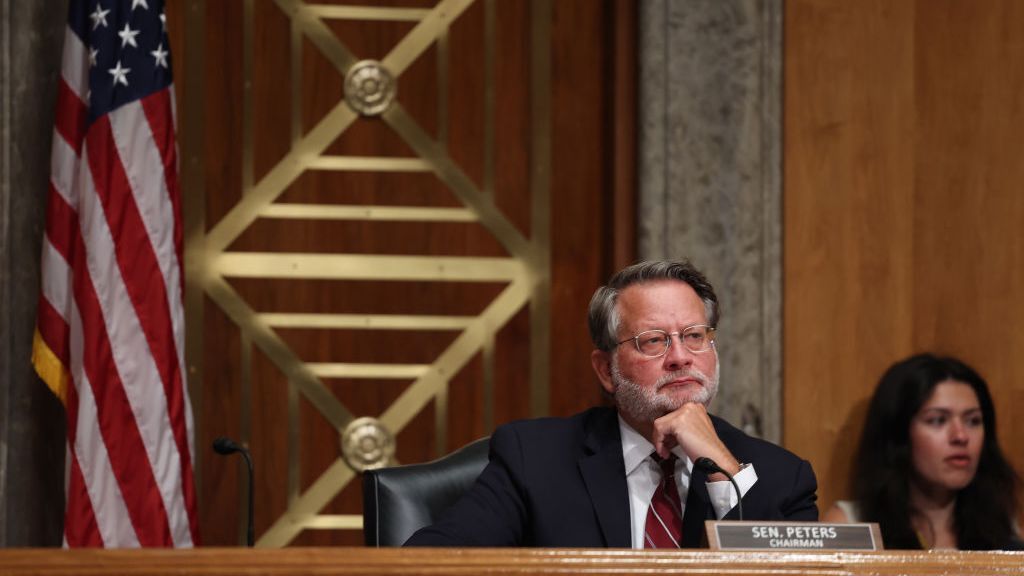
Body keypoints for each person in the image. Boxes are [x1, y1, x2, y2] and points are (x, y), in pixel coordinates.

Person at [405, 260, 818, 547]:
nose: (680, 356)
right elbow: (429, 563)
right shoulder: (535, 461)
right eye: (654, 341)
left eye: (694, 336)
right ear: (606, 370)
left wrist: (723, 471)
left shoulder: (783, 478)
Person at [822, 354, 1022, 550]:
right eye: (937, 420)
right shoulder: (850, 526)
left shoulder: (1003, 532)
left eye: (973, 421)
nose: (961, 436)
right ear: (898, 433)